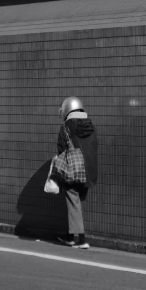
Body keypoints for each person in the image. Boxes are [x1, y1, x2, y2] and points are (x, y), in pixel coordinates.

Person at [55, 96, 98, 249]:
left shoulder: (66, 127)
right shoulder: (90, 125)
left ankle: (82, 239)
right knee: (76, 203)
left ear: (67, 109)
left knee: (73, 202)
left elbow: (61, 149)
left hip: (73, 171)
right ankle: (69, 236)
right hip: (89, 172)